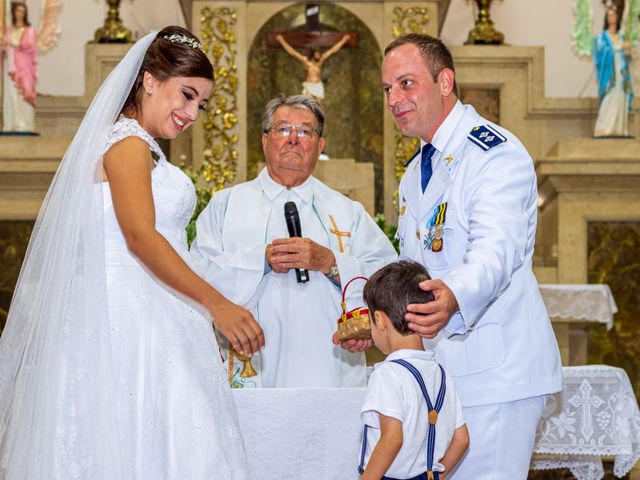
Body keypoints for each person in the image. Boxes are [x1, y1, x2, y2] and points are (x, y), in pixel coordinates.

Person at [0, 26, 262, 478]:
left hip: (156, 310)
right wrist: (217, 305)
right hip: (130, 319)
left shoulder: (137, 146)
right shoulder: (128, 144)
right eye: (186, 95)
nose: (192, 113)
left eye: (201, 104)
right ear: (149, 81)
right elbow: (140, 238)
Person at [382, 33, 562, 479]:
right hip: (446, 375)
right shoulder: (415, 172)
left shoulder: (494, 153)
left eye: (406, 83)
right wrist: (384, 320)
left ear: (445, 82)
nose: (394, 99)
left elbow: (496, 250)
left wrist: (455, 295)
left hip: (496, 371)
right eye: (387, 89)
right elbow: (416, 271)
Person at [191, 94, 397, 388]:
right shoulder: (225, 206)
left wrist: (332, 264)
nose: (293, 139)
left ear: (320, 146)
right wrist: (259, 261)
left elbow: (388, 279)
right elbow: (196, 272)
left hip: (330, 366)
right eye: (283, 129)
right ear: (264, 140)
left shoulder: (347, 211)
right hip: (249, 364)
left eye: (305, 131)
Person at [358, 260, 469, 480]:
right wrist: (435, 477)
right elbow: (462, 439)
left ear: (379, 320)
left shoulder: (387, 374)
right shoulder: (441, 373)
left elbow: (392, 439)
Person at [593, 5, 633, 137]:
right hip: (610, 75)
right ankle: (604, 128)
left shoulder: (621, 37)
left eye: (614, 15)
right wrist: (618, 47)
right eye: (609, 15)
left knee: (620, 98)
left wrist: (627, 51)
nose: (611, 17)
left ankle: (618, 129)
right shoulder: (602, 37)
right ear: (606, 18)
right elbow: (601, 53)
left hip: (621, 74)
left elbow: (628, 58)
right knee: (609, 100)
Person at [276, 33, 350, 101]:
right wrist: (281, 40)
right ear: (313, 53)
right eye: (317, 54)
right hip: (309, 86)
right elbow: (293, 53)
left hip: (318, 86)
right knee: (308, 105)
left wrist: (344, 40)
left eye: (319, 54)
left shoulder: (321, 60)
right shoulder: (306, 61)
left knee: (318, 108)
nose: (318, 56)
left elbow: (333, 50)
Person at [1, 1, 37, 132]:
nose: (20, 14)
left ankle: (24, 124)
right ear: (14, 13)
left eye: (23, 12)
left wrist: (11, 42)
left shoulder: (29, 31)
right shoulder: (9, 30)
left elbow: (29, 46)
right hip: (10, 68)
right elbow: (4, 48)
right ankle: (10, 123)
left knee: (23, 93)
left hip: (24, 67)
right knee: (10, 94)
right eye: (18, 11)